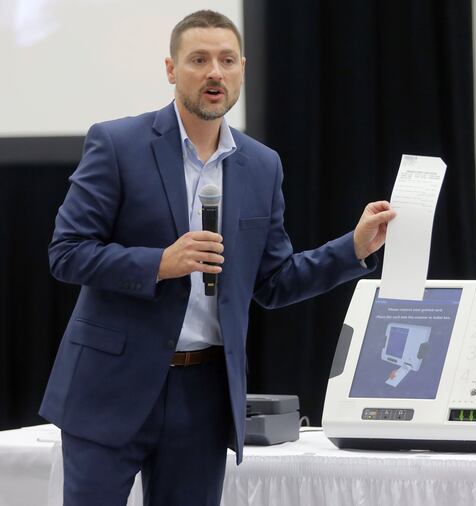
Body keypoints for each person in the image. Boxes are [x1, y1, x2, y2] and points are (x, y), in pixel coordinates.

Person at [40, 9, 396, 506]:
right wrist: (161, 262)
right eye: (199, 59)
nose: (215, 72)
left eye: (227, 60)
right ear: (171, 69)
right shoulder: (118, 144)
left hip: (202, 395)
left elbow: (272, 281)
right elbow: (67, 252)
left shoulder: (261, 165)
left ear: (242, 69)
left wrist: (353, 248)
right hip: (110, 389)